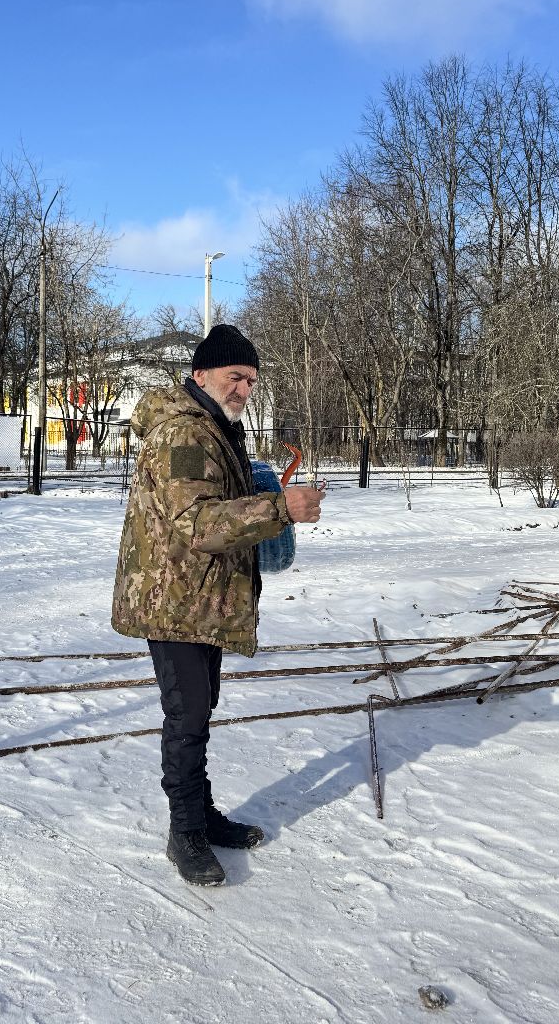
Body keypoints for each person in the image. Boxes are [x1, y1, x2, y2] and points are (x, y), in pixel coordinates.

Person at [111, 323, 324, 887]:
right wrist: (280, 510)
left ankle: (200, 815)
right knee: (186, 716)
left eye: (252, 381)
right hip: (173, 600)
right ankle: (185, 832)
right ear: (201, 374)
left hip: (199, 598)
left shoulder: (216, 427)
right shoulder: (184, 433)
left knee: (199, 712)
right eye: (236, 377)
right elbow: (195, 524)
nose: (244, 390)